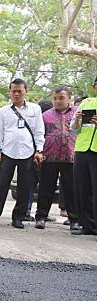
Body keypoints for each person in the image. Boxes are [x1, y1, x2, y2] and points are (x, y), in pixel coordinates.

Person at [0, 79, 45, 229]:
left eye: (20, 90)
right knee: (1, 185)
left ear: (26, 91)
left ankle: (18, 218)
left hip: (28, 153)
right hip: (7, 152)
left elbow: (39, 131)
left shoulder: (35, 109)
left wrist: (39, 150)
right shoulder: (3, 111)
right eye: (14, 91)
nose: (17, 93)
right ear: (9, 92)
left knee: (25, 186)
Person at [34, 86, 79, 231]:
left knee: (71, 190)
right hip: (49, 157)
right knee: (46, 189)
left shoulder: (78, 114)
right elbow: (39, 135)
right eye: (55, 98)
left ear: (69, 98)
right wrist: (39, 151)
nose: (57, 101)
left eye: (61, 98)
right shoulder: (45, 115)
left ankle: (74, 220)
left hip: (71, 158)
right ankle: (41, 217)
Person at [71, 76, 97, 235]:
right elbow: (74, 129)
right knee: (82, 188)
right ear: (94, 87)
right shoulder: (86, 103)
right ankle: (85, 225)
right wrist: (78, 120)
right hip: (81, 150)